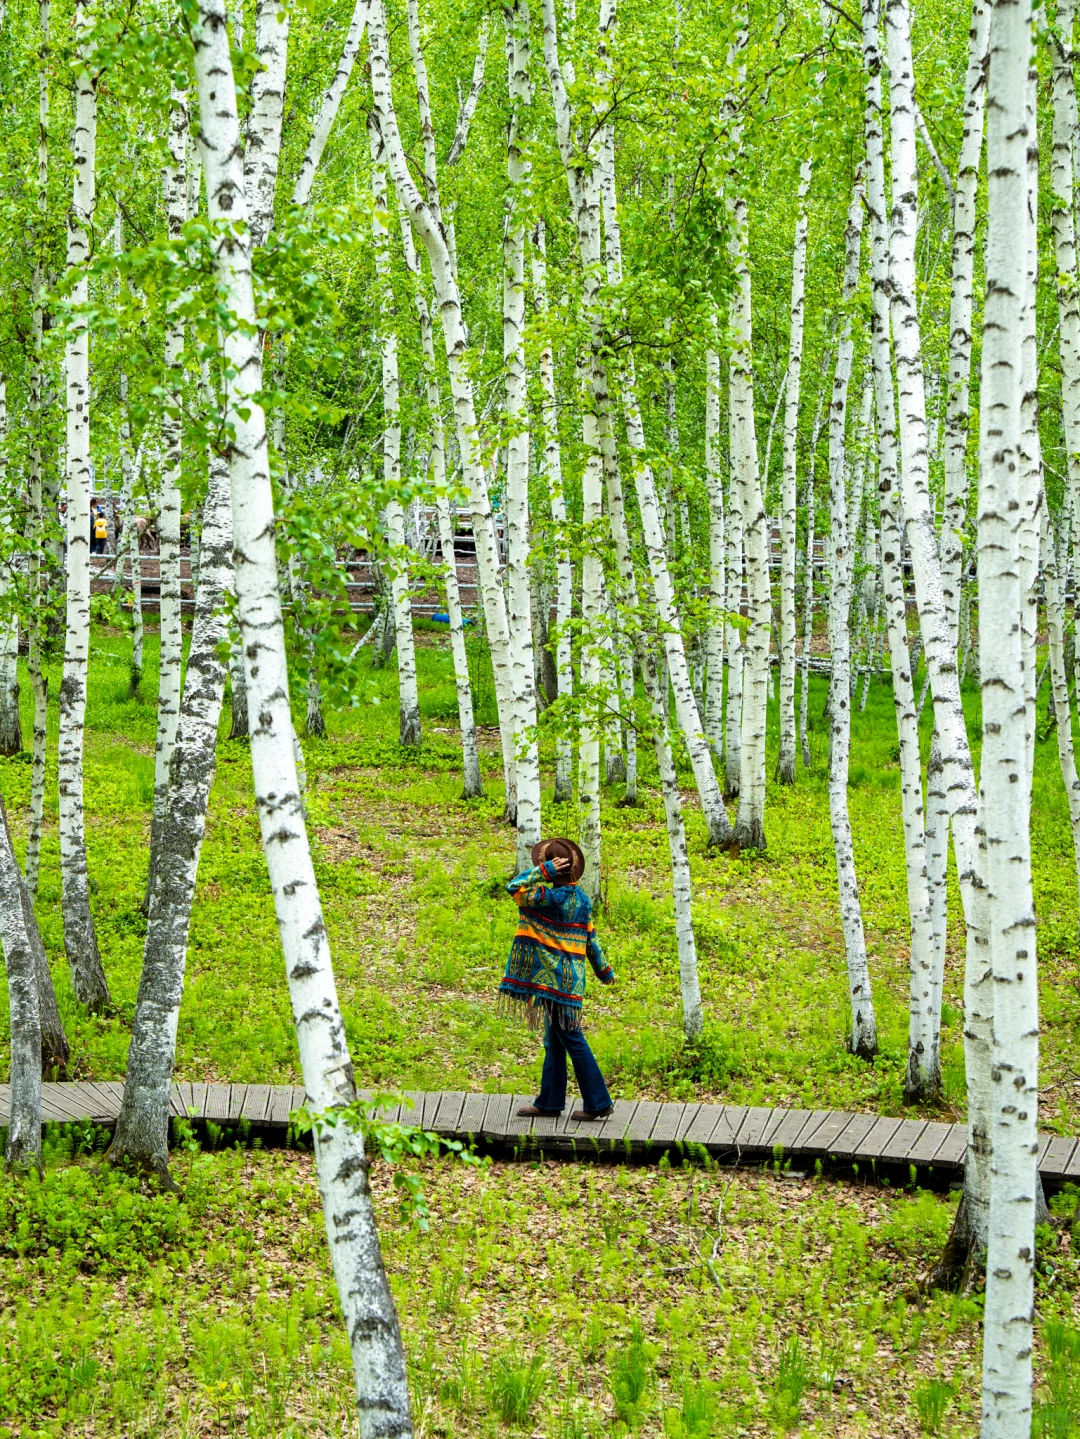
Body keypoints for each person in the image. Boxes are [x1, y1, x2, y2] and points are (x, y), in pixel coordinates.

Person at [498, 837, 615, 1121]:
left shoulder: (545, 900)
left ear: (551, 869)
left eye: (545, 865)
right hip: (572, 982)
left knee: (572, 1039)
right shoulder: (582, 900)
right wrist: (604, 971)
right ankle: (549, 1102)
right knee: (555, 1041)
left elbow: (514, 887)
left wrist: (542, 872)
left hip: (552, 983)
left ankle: (599, 1102)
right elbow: (591, 939)